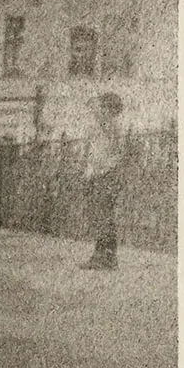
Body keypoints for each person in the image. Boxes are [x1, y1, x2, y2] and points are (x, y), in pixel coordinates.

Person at [80, 92, 124, 270]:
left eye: (104, 107)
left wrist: (101, 170)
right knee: (99, 216)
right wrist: (90, 171)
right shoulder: (100, 126)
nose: (100, 110)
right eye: (101, 107)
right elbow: (93, 153)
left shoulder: (111, 126)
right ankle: (101, 256)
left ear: (111, 110)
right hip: (98, 174)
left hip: (108, 174)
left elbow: (115, 153)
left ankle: (107, 257)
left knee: (104, 215)